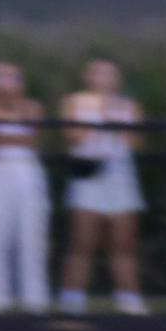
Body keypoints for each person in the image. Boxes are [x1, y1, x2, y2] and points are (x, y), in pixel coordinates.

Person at [56, 57, 147, 314]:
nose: (105, 79)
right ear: (88, 76)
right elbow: (72, 137)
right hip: (88, 176)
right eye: (99, 73)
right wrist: (99, 121)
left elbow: (137, 142)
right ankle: (72, 297)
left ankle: (129, 297)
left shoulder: (129, 106)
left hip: (120, 175)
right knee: (83, 240)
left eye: (110, 74)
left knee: (124, 241)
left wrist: (118, 125)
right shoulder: (74, 102)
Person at [0, 62, 49, 313]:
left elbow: (32, 136)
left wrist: (3, 129)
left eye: (12, 78)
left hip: (26, 170)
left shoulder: (32, 106)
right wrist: (10, 130)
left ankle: (34, 297)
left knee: (31, 233)